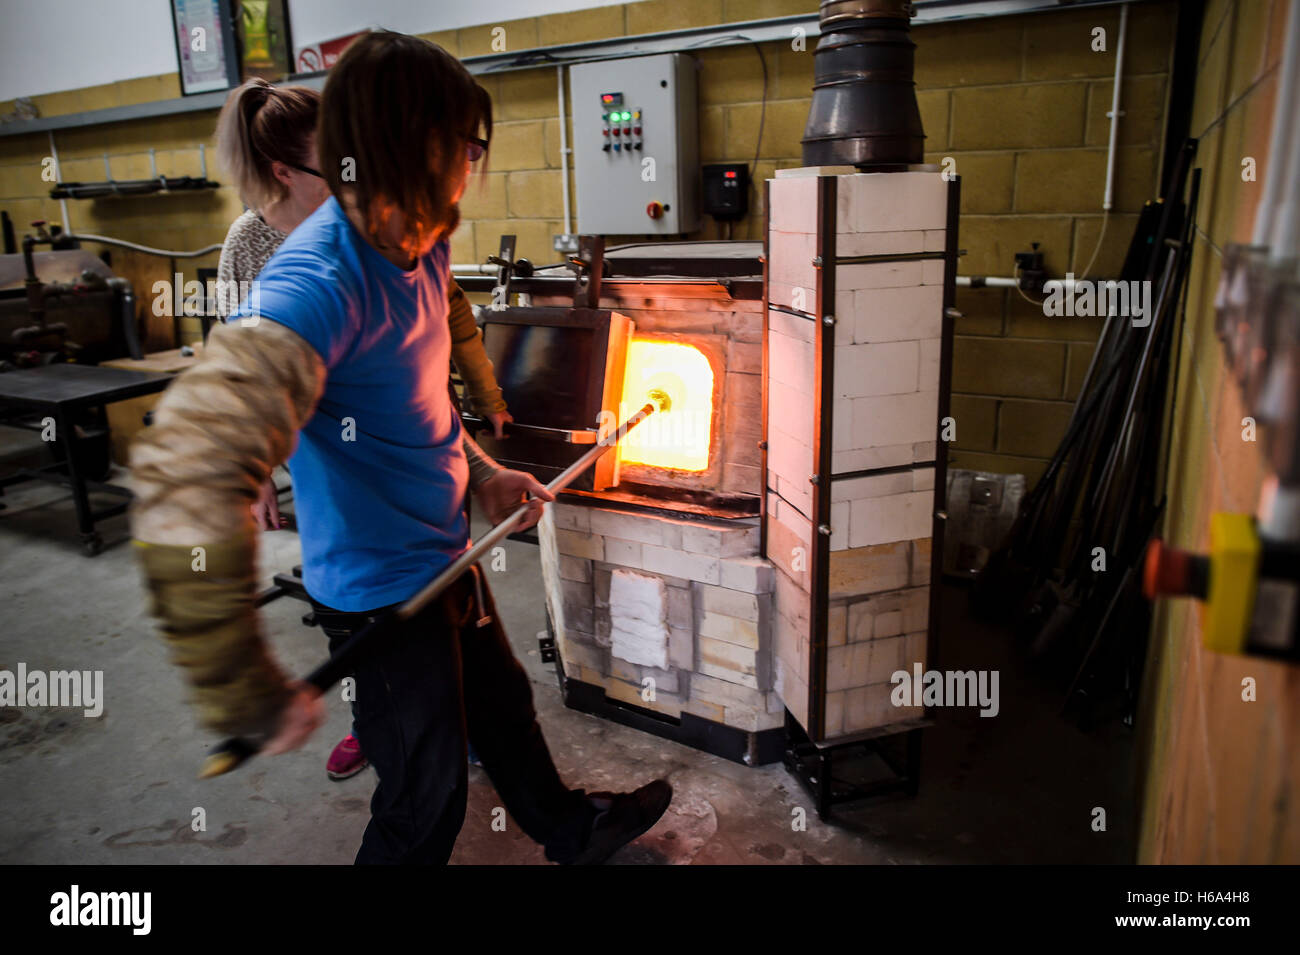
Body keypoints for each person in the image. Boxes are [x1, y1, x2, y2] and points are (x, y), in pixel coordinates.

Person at [131, 30, 671, 865]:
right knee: (425, 793)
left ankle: (572, 830)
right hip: (380, 594)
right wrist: (240, 679)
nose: (474, 164)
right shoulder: (314, 286)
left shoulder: (421, 245)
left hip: (443, 557)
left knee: (503, 709)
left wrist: (482, 477)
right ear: (418, 146)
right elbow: (185, 480)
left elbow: (413, 402)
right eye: (468, 144)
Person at [213, 77, 512, 780]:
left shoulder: (395, 224)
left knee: (452, 621)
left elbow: (440, 339)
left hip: (416, 469)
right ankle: (386, 722)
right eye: (341, 165)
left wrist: (485, 454)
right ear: (285, 172)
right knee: (376, 613)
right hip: (342, 467)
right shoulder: (270, 254)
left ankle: (452, 728)